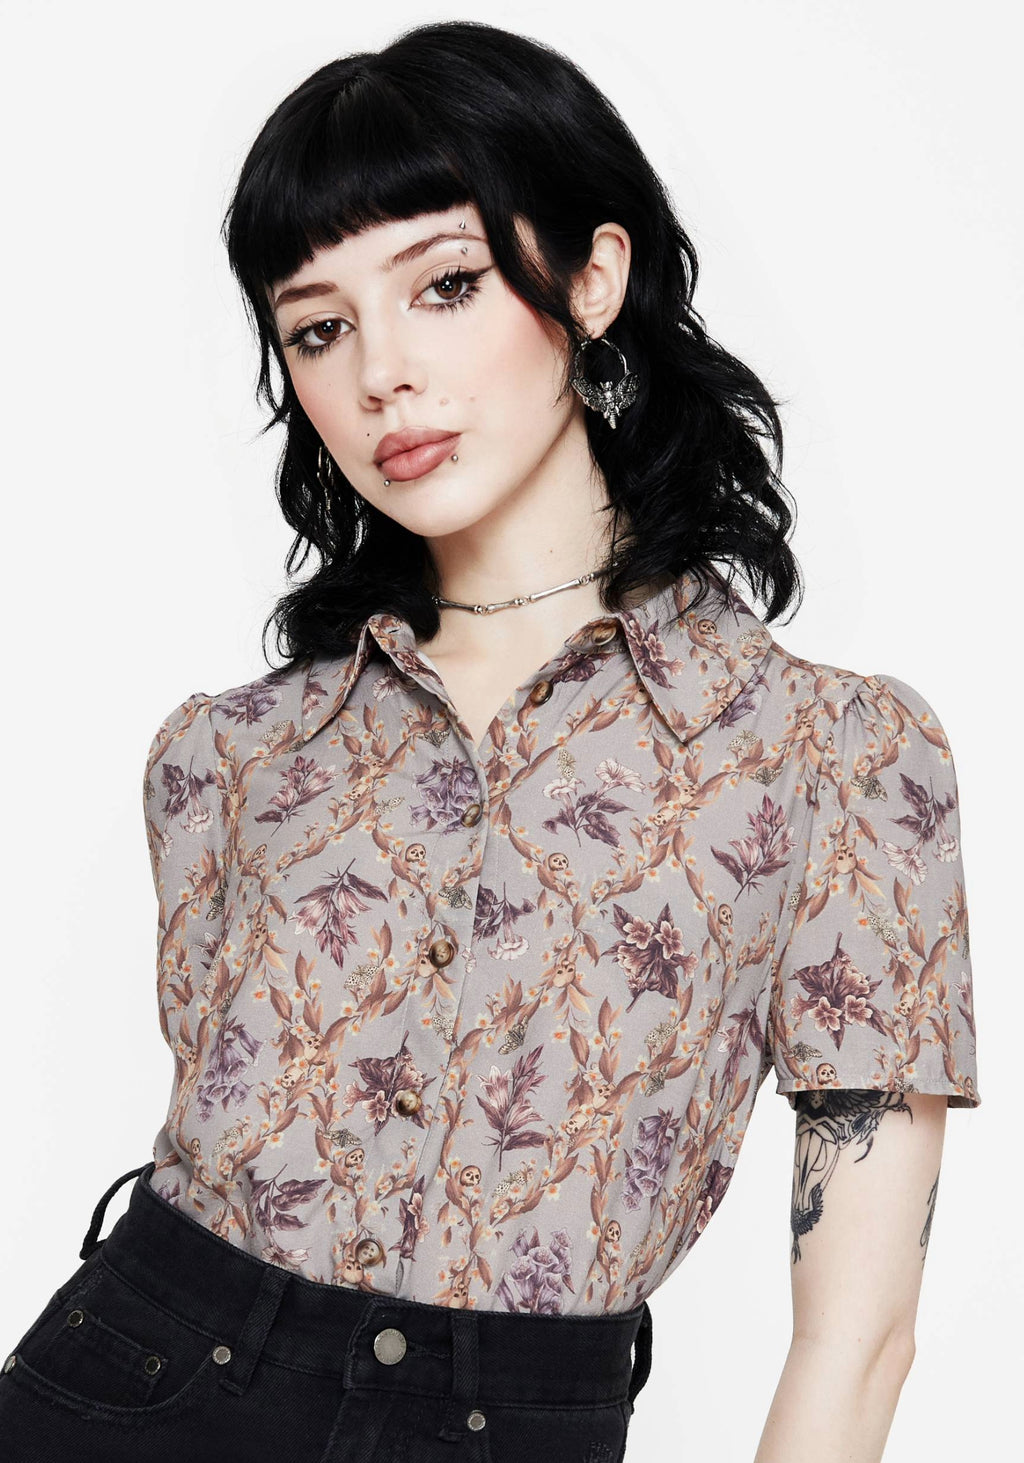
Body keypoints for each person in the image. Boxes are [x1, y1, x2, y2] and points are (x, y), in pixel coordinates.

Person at [0, 19, 981, 1463]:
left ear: (593, 278)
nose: (381, 375)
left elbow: (861, 1335)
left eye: (445, 285)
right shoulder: (230, 758)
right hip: (136, 1385)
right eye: (319, 329)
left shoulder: (837, 756)